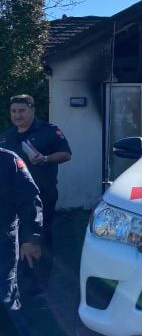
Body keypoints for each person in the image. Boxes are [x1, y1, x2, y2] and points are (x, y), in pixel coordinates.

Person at [0, 95, 71, 296]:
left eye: (21, 111)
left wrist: (46, 158)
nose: (17, 115)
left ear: (32, 110)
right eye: (13, 111)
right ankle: (19, 275)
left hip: (41, 195)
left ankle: (38, 283)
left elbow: (66, 154)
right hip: (11, 199)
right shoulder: (6, 137)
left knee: (38, 236)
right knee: (14, 235)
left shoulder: (49, 131)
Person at [0, 147, 42, 335]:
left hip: (3, 242)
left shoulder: (8, 161)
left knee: (5, 297)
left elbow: (30, 200)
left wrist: (29, 239)